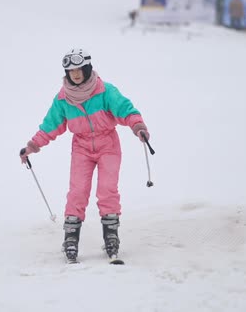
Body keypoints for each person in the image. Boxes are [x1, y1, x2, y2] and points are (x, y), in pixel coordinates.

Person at [19, 48, 150, 263]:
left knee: (107, 190)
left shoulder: (105, 91)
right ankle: (70, 238)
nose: (76, 74)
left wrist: (138, 126)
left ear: (87, 68)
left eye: (79, 69)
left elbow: (125, 109)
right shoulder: (63, 99)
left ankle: (111, 236)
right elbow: (51, 125)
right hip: (81, 148)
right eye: (71, 71)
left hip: (108, 144)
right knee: (78, 191)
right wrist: (33, 146)